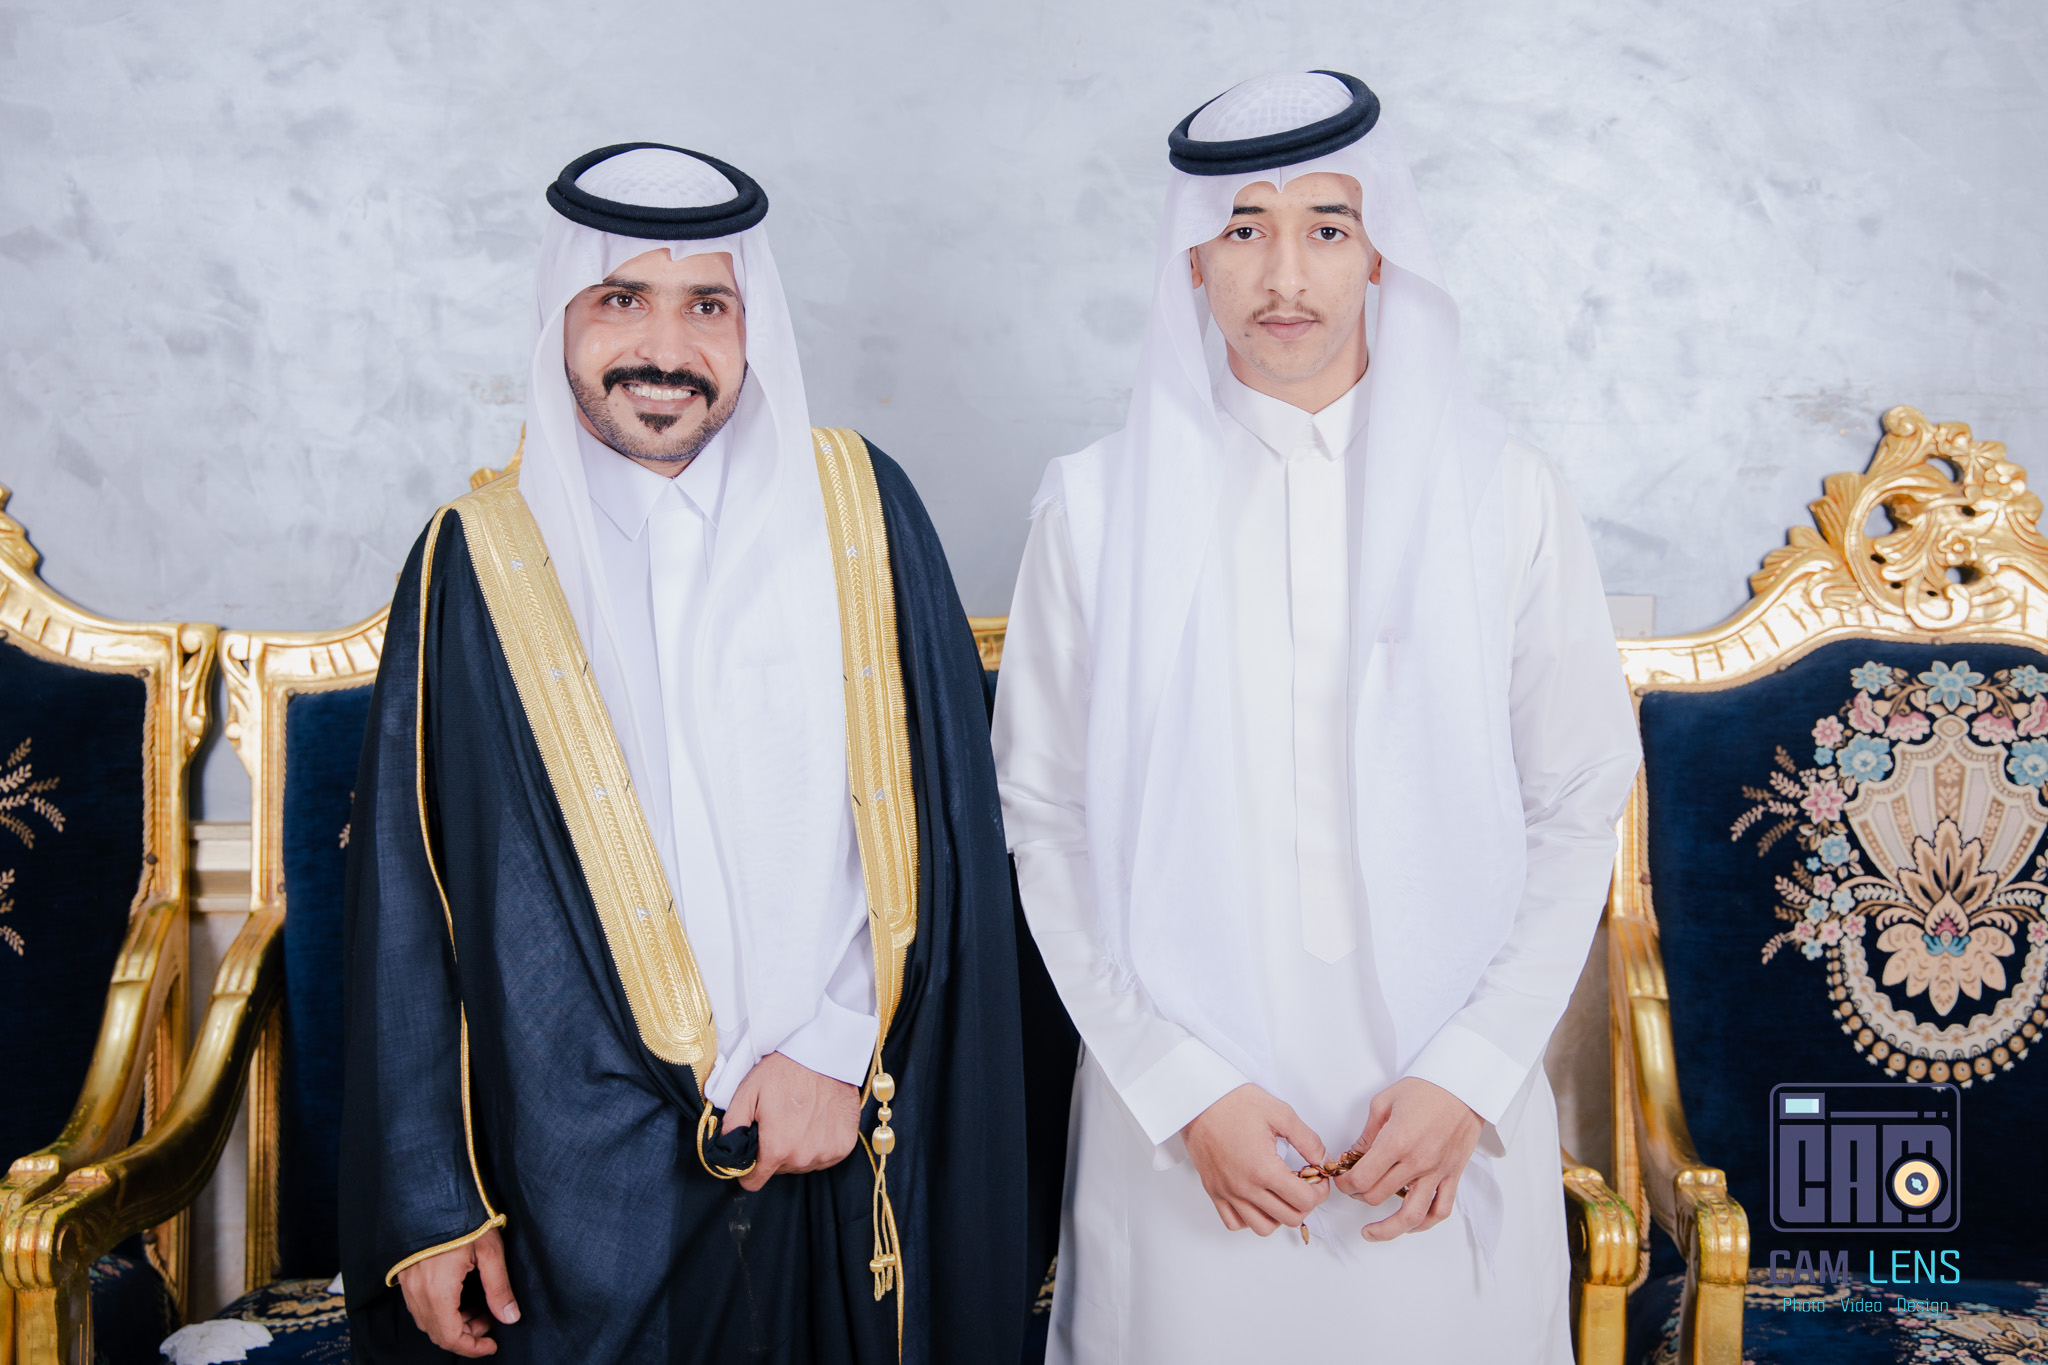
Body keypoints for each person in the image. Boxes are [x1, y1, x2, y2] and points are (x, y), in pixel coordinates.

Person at [339, 142, 1030, 1364]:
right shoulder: (476, 559)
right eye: (622, 299)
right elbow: (409, 895)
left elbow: (941, 834)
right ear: (561, 317)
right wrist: (434, 1202)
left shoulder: (858, 511)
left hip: (840, 1132)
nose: (665, 347)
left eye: (707, 305)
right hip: (578, 1189)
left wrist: (835, 1051)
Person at [993, 72, 1642, 1361]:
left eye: (1325, 228)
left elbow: (1577, 805)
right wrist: (1183, 1091)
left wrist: (1470, 1072)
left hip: (1442, 1130)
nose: (1283, 275)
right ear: (1192, 258)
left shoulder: (1502, 495)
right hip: (1183, 1141)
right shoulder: (1096, 508)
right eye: (1243, 229)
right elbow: (1044, 818)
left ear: (1378, 249)